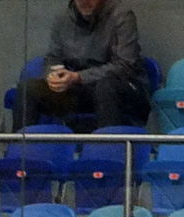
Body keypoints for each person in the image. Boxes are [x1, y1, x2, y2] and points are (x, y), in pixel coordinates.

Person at [12, 0, 152, 132]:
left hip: (124, 88)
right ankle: (19, 147)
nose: (85, 1)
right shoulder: (64, 17)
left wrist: (78, 77)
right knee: (28, 90)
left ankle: (109, 148)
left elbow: (125, 65)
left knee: (106, 87)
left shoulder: (122, 16)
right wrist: (53, 75)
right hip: (82, 87)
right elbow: (53, 58)